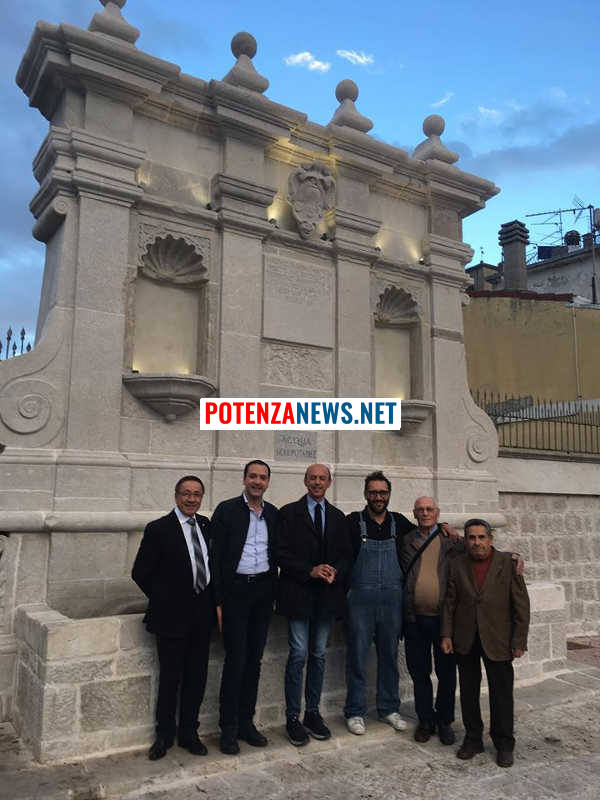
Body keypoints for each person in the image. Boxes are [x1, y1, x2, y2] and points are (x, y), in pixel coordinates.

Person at [132, 475, 213, 760]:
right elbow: (140, 572)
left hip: (202, 616)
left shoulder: (206, 525)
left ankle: (189, 733)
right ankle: (163, 736)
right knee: (170, 678)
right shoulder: (159, 529)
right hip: (171, 618)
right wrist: (166, 599)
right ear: (176, 496)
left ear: (201, 497)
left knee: (196, 677)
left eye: (196, 494)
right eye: (186, 494)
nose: (191, 499)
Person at [441, 518, 530, 768]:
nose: (476, 542)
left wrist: (519, 640)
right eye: (471, 537)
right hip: (466, 638)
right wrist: (446, 635)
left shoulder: (508, 563)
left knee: (501, 694)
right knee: (468, 692)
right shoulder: (457, 564)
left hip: (498, 639)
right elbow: (449, 602)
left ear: (490, 539)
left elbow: (521, 605)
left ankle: (504, 744)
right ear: (466, 540)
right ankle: (473, 739)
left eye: (481, 537)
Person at [277, 463, 352, 746]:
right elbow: (280, 553)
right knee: (298, 655)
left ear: (329, 482)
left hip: (325, 598)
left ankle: (312, 712)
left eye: (322, 478)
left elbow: (347, 555)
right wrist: (309, 570)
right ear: (305, 481)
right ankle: (292, 717)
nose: (317, 482)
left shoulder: (337, 517)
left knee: (318, 655)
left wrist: (335, 571)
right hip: (298, 595)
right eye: (313, 478)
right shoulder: (288, 513)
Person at [211, 459, 278, 755]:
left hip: (262, 591)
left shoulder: (273, 513)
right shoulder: (226, 510)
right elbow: (214, 558)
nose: (257, 482)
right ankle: (228, 728)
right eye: (253, 476)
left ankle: (246, 723)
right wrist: (217, 600)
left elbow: (278, 553)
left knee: (254, 661)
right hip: (235, 592)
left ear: (267, 482)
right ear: (244, 479)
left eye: (262, 477)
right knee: (236, 660)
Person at [344, 471, 415, 735]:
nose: (378, 497)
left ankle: (389, 708)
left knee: (389, 656)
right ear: (365, 494)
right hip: (360, 601)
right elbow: (339, 556)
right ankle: (355, 712)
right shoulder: (353, 522)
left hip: (392, 601)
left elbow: (426, 538)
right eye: (373, 492)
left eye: (383, 492)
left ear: (389, 494)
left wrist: (446, 529)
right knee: (357, 657)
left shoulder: (400, 522)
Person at [401, 496, 463, 746]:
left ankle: (445, 720)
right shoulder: (406, 540)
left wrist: (513, 556)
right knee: (419, 673)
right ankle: (425, 720)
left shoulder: (451, 540)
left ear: (437, 513)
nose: (425, 513)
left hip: (444, 621)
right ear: (414, 513)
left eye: (429, 509)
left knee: (446, 674)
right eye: (421, 510)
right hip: (414, 619)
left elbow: (480, 550)